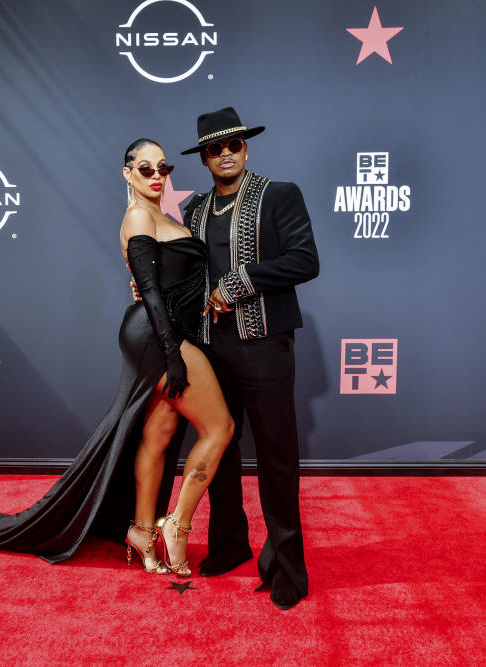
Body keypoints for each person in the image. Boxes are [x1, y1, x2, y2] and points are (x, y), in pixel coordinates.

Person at [0, 139, 233, 577]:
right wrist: (171, 353)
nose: (157, 176)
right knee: (219, 427)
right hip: (160, 335)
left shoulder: (163, 216)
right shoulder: (139, 215)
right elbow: (148, 290)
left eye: (163, 168)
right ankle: (177, 526)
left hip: (165, 332)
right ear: (127, 174)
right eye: (145, 169)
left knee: (158, 433)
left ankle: (143, 530)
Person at [180, 107, 320, 609]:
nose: (224, 154)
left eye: (232, 144)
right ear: (202, 157)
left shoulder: (279, 195)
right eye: (213, 149)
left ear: (246, 147)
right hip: (210, 350)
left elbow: (306, 260)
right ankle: (229, 544)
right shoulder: (194, 209)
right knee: (219, 450)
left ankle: (287, 565)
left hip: (263, 345)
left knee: (277, 457)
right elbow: (189, 276)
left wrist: (236, 287)